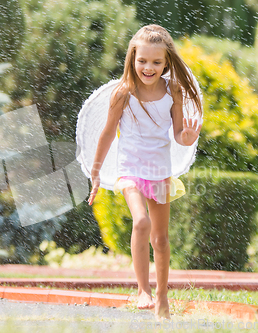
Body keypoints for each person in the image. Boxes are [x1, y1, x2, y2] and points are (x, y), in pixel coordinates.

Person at [85, 24, 203, 321]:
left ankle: (162, 297)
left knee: (161, 240)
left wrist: (187, 138)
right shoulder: (124, 93)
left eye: (156, 62)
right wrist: (96, 173)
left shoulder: (172, 90)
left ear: (166, 63)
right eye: (142, 61)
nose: (148, 67)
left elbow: (178, 133)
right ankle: (143, 290)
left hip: (159, 171)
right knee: (141, 221)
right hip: (130, 170)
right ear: (132, 58)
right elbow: (108, 133)